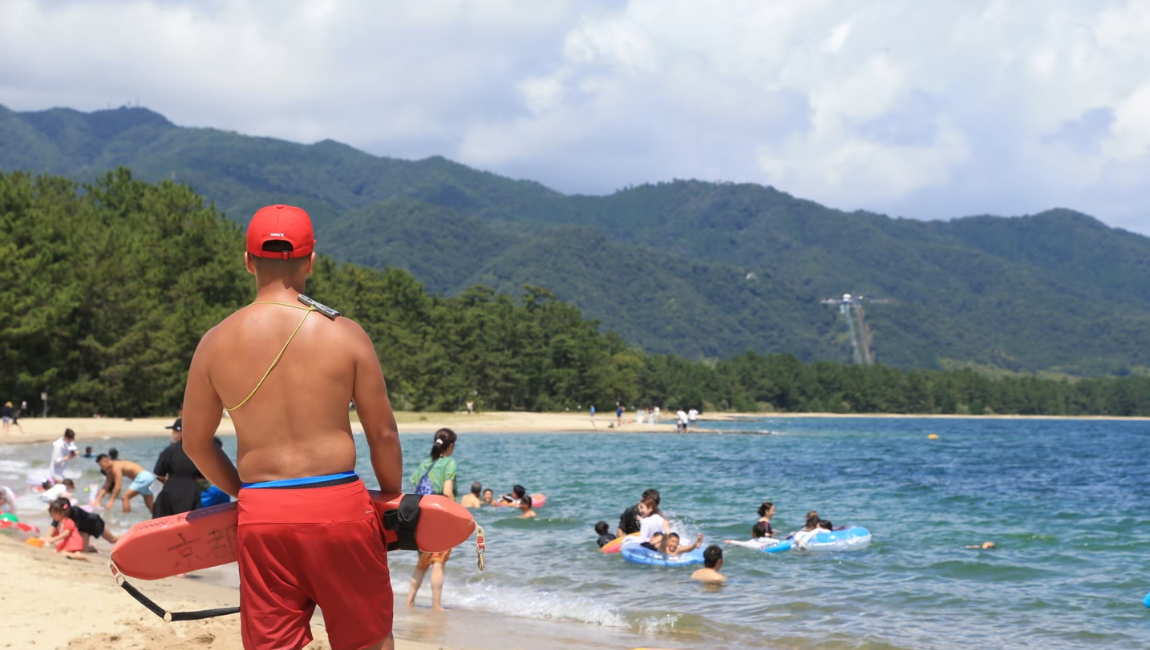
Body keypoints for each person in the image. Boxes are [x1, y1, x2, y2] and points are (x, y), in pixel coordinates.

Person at [180, 204, 402, 650]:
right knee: (369, 642)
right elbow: (382, 435)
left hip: (264, 515)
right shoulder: (346, 334)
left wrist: (246, 494)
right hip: (341, 509)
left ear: (248, 261)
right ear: (311, 261)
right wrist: (391, 501)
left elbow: (196, 444)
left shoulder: (214, 342)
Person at [407, 428, 458, 611]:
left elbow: (415, 485)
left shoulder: (425, 463)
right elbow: (447, 491)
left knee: (422, 563)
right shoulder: (449, 463)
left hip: (420, 518)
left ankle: (409, 602)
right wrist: (457, 513)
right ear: (451, 446)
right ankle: (436, 605)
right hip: (439, 518)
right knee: (438, 562)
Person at [152, 418, 203, 519]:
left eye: (174, 431)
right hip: (191, 491)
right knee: (189, 522)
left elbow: (159, 473)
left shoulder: (169, 450)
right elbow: (203, 476)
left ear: (180, 432)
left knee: (165, 521)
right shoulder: (198, 451)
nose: (172, 434)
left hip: (171, 489)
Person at [49, 497, 117, 551]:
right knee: (84, 550)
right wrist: (47, 539)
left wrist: (56, 540)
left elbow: (73, 533)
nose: (53, 515)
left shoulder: (75, 512)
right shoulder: (59, 514)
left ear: (62, 512)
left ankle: (123, 540)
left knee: (112, 539)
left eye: (54, 513)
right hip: (84, 530)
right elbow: (52, 528)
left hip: (95, 523)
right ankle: (92, 548)